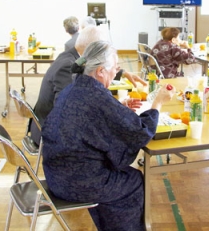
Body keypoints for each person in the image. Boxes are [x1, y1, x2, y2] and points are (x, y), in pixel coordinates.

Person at [42, 41, 176, 231]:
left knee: (123, 175)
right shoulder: (97, 96)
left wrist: (119, 108)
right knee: (134, 181)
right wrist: (158, 104)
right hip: (78, 183)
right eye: (114, 68)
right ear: (100, 71)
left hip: (56, 175)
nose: (116, 73)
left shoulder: (73, 88)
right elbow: (139, 131)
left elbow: (97, 120)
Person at [30, 26, 146, 146]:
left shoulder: (71, 56)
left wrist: (121, 73)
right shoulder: (67, 67)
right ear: (93, 48)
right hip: (51, 135)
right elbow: (69, 112)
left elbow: (91, 70)